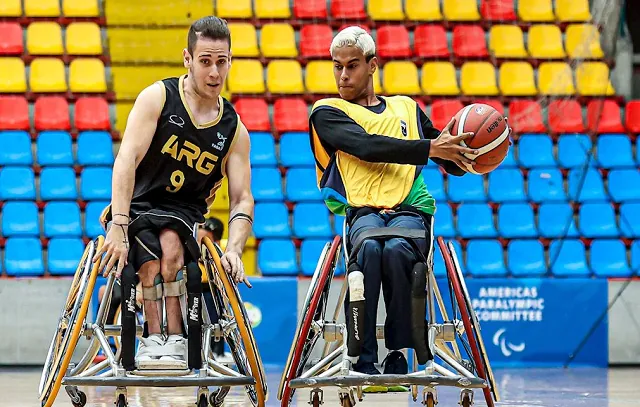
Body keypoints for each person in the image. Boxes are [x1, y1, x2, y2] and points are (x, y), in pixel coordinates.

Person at [308, 26, 482, 377]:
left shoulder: (406, 108)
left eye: (352, 65)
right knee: (371, 250)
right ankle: (363, 356)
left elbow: (447, 156)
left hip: (410, 208)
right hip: (363, 211)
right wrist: (430, 147)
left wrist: (472, 151)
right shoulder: (325, 112)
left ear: (373, 65)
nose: (343, 75)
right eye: (337, 66)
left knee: (399, 250)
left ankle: (400, 352)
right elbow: (367, 146)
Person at [93, 16, 254, 371]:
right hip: (137, 203)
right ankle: (153, 336)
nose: (214, 72)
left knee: (170, 245)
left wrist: (235, 249)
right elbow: (125, 161)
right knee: (150, 254)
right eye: (205, 61)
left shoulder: (234, 129)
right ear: (187, 59)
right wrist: (118, 225)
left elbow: (243, 198)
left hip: (185, 212)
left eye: (222, 61)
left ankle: (176, 338)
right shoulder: (158, 97)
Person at [197, 216, 234, 363]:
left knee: (219, 318)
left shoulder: (221, 251)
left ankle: (218, 352)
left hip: (214, 289)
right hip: (198, 288)